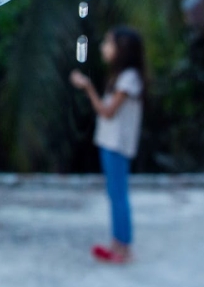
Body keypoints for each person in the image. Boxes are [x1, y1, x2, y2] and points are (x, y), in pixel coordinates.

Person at [70, 26, 145, 264]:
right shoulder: (122, 77)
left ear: (122, 49)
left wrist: (88, 87)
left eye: (108, 43)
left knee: (118, 196)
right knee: (115, 195)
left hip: (116, 145)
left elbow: (107, 112)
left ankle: (123, 249)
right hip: (109, 143)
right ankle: (117, 243)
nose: (104, 47)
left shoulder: (129, 78)